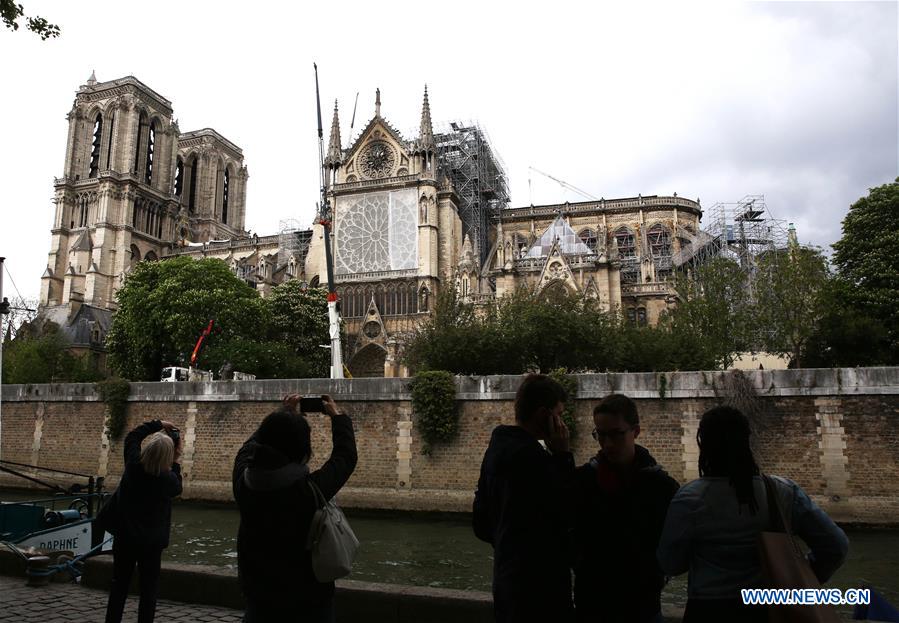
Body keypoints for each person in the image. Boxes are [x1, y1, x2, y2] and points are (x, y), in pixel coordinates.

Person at [657, 406, 849, 623]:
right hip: (771, 607)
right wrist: (803, 576)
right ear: (747, 442)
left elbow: (670, 563)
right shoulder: (782, 491)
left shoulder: (690, 499)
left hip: (710, 608)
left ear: (703, 444)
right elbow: (836, 546)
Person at [233, 394, 357, 623]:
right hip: (307, 600)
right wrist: (337, 417)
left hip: (259, 594)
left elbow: (247, 449)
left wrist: (283, 415)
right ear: (303, 452)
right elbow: (345, 457)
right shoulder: (308, 493)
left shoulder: (244, 484)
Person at [473, 373, 574, 623]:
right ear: (543, 414)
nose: (561, 423)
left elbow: (481, 523)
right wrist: (562, 456)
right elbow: (568, 514)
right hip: (541, 590)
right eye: (559, 414)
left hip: (506, 581)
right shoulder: (535, 460)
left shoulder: (496, 451)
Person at [572, 394, 680, 623]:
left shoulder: (662, 487)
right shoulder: (582, 481)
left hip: (640, 606)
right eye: (601, 435)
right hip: (594, 605)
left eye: (616, 434)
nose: (607, 443)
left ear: (636, 431)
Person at [105, 419, 183, 623]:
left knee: (119, 585)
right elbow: (176, 483)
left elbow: (132, 437)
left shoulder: (132, 467)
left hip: (125, 538)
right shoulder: (169, 482)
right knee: (148, 591)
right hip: (150, 543)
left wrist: (158, 423)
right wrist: (175, 457)